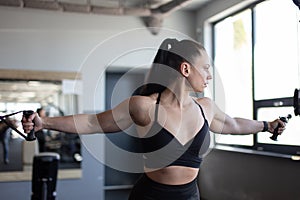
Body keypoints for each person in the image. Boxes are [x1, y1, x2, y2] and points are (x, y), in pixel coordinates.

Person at [22, 38, 286, 200]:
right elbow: (93, 123)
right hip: (151, 196)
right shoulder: (144, 106)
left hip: (189, 196)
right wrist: (45, 123)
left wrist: (266, 126)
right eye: (205, 68)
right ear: (185, 69)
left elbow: (233, 124)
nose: (209, 75)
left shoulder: (206, 107)